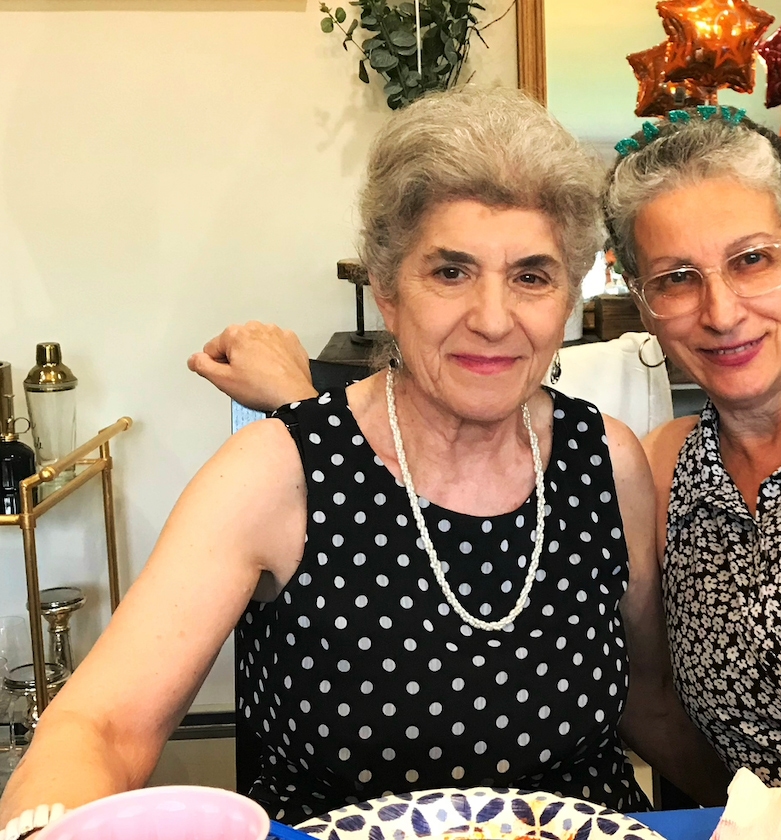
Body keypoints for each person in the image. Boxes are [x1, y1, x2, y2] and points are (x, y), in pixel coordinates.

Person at [185, 107, 781, 797]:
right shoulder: (654, 468)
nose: (723, 311)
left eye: (751, 261)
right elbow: (647, 702)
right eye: (676, 280)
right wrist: (311, 414)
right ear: (641, 305)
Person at [0, 87, 729, 833]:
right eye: (449, 272)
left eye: (531, 276)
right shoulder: (275, 472)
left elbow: (649, 698)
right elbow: (101, 726)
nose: (492, 317)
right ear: (386, 290)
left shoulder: (604, 461)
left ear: (568, 296)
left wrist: (765, 811)